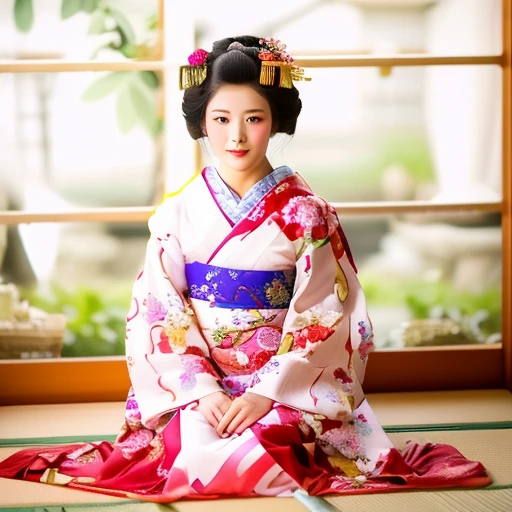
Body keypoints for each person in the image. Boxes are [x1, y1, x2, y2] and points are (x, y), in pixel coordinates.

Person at [0, 35, 490, 502]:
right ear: (202, 122)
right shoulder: (178, 211)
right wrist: (201, 388)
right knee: (193, 445)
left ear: (274, 120)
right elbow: (158, 310)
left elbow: (325, 315)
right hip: (200, 381)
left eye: (253, 118)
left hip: (284, 387)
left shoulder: (306, 212)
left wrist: (266, 392)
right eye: (221, 118)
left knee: (270, 449)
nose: (235, 135)